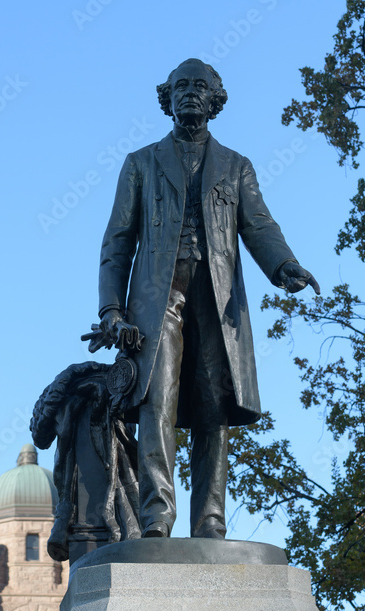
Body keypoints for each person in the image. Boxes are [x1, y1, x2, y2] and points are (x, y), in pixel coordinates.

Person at [89, 58, 319, 539]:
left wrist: (284, 265)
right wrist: (112, 310)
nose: (189, 93)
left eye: (200, 86)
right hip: (157, 299)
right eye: (180, 86)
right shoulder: (141, 163)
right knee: (159, 400)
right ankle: (156, 516)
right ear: (166, 98)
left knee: (214, 404)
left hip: (218, 298)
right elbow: (117, 242)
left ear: (215, 99)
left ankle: (210, 519)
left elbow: (259, 227)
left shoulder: (236, 166)